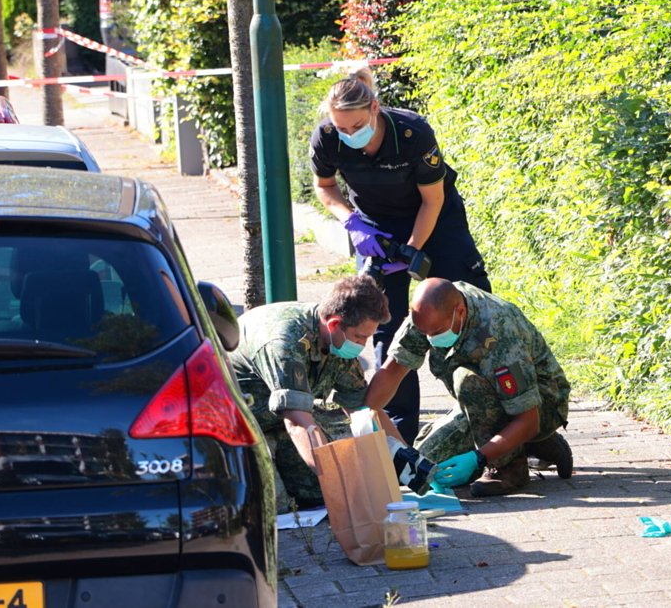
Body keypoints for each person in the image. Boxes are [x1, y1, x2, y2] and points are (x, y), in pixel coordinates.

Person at [310, 65, 492, 446]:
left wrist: (412, 249)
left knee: (471, 308)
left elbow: (433, 199)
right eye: (341, 128)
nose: (347, 134)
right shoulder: (327, 137)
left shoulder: (412, 133)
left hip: (435, 220)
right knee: (382, 325)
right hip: (374, 229)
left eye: (355, 125)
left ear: (374, 108)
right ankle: (398, 439)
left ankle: (493, 423)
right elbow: (324, 186)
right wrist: (353, 224)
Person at [364, 278, 574, 497]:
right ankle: (535, 444)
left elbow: (528, 419)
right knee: (426, 465)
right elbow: (392, 370)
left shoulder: (498, 331)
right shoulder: (428, 315)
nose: (429, 339)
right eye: (424, 332)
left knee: (467, 380)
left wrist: (478, 458)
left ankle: (511, 466)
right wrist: (364, 415)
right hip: (480, 405)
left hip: (540, 405)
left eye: (436, 332)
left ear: (461, 311)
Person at [229, 275, 400, 513]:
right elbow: (298, 422)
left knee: (339, 490)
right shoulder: (284, 343)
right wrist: (336, 483)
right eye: (360, 337)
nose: (363, 345)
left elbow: (364, 409)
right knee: (273, 507)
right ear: (334, 324)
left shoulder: (337, 340)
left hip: (279, 424)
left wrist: (406, 459)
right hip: (238, 431)